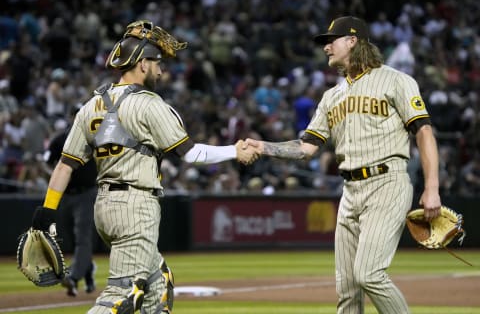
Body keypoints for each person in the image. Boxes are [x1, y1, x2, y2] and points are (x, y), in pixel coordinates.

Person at [30, 20, 257, 314]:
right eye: (157, 63)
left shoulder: (91, 105)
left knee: (158, 283)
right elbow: (189, 154)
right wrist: (233, 150)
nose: (160, 71)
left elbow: (65, 164)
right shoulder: (149, 103)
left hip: (105, 207)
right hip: (135, 204)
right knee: (123, 293)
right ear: (141, 63)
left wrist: (47, 210)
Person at [244, 16, 442, 314]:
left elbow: (424, 132)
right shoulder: (331, 96)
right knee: (347, 290)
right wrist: (265, 147)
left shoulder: (396, 80)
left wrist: (432, 188)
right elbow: (306, 147)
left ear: (352, 41)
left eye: (330, 40)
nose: (325, 47)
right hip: (350, 191)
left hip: (386, 182)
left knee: (369, 275)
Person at [42, 104, 97, 297]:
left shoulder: (94, 137)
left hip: (87, 194)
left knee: (82, 237)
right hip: (66, 195)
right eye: (76, 114)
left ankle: (73, 277)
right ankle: (88, 274)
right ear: (71, 116)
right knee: (73, 239)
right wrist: (57, 178)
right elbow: (47, 162)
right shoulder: (60, 139)